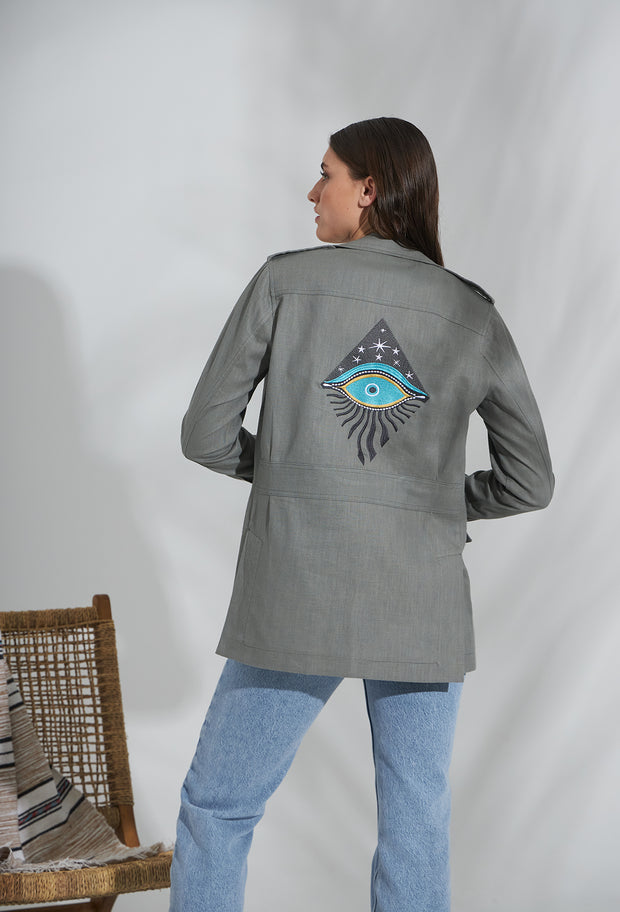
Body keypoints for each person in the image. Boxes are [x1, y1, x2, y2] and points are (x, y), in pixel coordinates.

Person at [169, 117, 554, 911]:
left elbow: (204, 435)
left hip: (296, 588)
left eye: (327, 173)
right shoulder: (471, 312)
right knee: (417, 824)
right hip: (421, 602)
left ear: (369, 189)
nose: (313, 191)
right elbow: (530, 482)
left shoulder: (284, 283)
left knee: (219, 808)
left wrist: (298, 478)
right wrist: (430, 503)